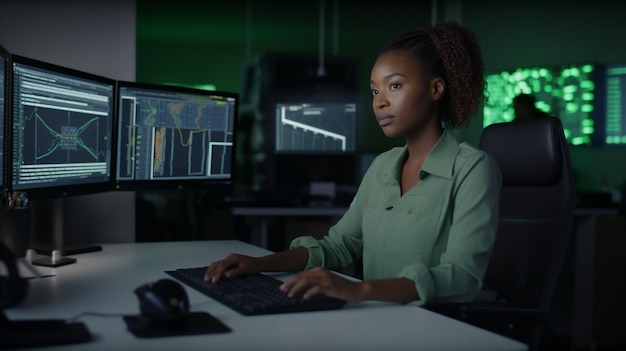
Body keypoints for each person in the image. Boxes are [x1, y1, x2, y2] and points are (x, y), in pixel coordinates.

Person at [205, 21, 502, 306]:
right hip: (379, 320)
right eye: (375, 90)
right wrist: (258, 264)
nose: (379, 102)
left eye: (394, 86)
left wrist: (359, 289)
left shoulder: (473, 169)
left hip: (441, 327)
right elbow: (337, 246)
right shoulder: (383, 167)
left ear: (436, 89)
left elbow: (463, 277)